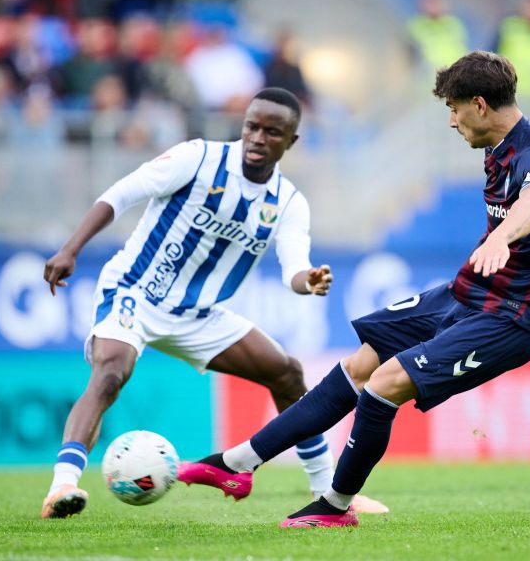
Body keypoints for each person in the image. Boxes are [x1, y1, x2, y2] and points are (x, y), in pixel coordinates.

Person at [174, 51, 530, 528]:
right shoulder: (497, 145)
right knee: (361, 364)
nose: (450, 120)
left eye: (455, 108)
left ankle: (336, 506)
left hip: (513, 317)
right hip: (468, 292)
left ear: (480, 105)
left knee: (384, 385)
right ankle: (235, 464)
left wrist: (505, 238)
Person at [40, 87, 387, 519]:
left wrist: (308, 280)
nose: (258, 138)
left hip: (198, 315)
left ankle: (333, 496)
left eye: (272, 132)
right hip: (135, 291)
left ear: (291, 142)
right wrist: (71, 248)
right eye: (251, 127)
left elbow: (293, 267)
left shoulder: (288, 202)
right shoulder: (198, 159)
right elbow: (122, 193)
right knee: (112, 371)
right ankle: (63, 487)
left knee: (287, 373)